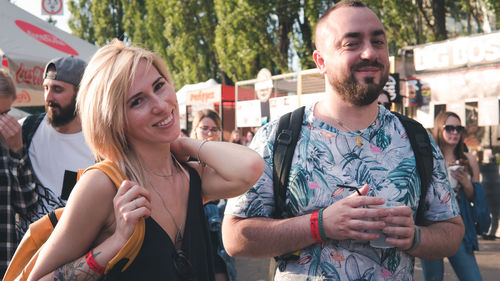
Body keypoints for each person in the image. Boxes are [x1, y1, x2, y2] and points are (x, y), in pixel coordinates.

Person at [222, 1, 464, 280]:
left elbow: (452, 231)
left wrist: (415, 237)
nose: (369, 53)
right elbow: (234, 237)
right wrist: (319, 225)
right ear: (321, 62)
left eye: (378, 42)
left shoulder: (416, 138)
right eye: (352, 43)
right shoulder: (279, 138)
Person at [27, 39, 264, 281]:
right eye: (137, 101)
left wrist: (185, 143)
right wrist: (115, 243)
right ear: (113, 120)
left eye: (159, 86)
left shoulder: (189, 176)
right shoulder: (103, 184)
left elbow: (251, 167)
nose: (161, 105)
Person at [16, 56, 95, 238]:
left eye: (57, 89)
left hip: (67, 259)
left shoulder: (99, 145)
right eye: (46, 88)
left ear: (81, 93)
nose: (48, 97)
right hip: (20, 255)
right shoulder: (27, 129)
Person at [420, 111, 483, 281]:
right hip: (431, 224)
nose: (455, 132)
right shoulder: (428, 157)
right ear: (439, 129)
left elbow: (474, 196)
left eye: (458, 128)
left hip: (459, 224)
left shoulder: (468, 159)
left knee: (472, 277)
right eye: (449, 128)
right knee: (433, 277)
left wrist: (467, 184)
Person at [191, 108, 237, 281]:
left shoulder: (222, 161)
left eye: (214, 129)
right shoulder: (184, 161)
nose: (209, 133)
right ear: (195, 129)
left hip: (219, 241)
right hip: (194, 236)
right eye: (204, 128)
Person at [0, 69, 38, 277]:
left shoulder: (8, 143)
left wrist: (17, 149)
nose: (4, 121)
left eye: (7, 113)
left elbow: (27, 204)